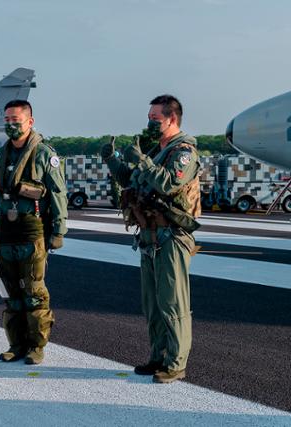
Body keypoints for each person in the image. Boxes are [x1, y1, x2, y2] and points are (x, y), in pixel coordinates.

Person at [100, 94, 201, 384]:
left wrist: (141, 160)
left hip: (171, 236)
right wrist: (113, 160)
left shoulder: (184, 152)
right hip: (149, 236)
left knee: (173, 302)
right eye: (149, 118)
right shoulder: (158, 152)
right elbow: (133, 179)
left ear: (172, 119)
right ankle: (158, 356)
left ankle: (176, 362)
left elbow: (168, 182)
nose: (149, 123)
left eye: (154, 119)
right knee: (153, 303)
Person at [0, 100, 68, 365]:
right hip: (5, 232)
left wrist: (59, 230)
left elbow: (58, 194)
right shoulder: (0, 155)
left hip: (32, 230)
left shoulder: (45, 155)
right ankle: (17, 344)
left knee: (34, 291)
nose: (11, 125)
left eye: (16, 120)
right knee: (11, 293)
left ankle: (36, 346)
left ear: (30, 121)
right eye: (7, 120)